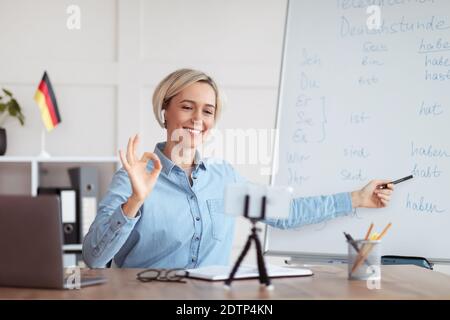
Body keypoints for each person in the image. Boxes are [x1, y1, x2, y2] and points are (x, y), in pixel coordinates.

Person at [82, 69, 394, 268]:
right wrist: (135, 201)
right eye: (187, 106)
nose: (197, 119)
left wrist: (356, 198)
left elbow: (286, 212)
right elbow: (94, 258)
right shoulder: (134, 176)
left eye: (207, 111)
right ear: (165, 111)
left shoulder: (223, 178)